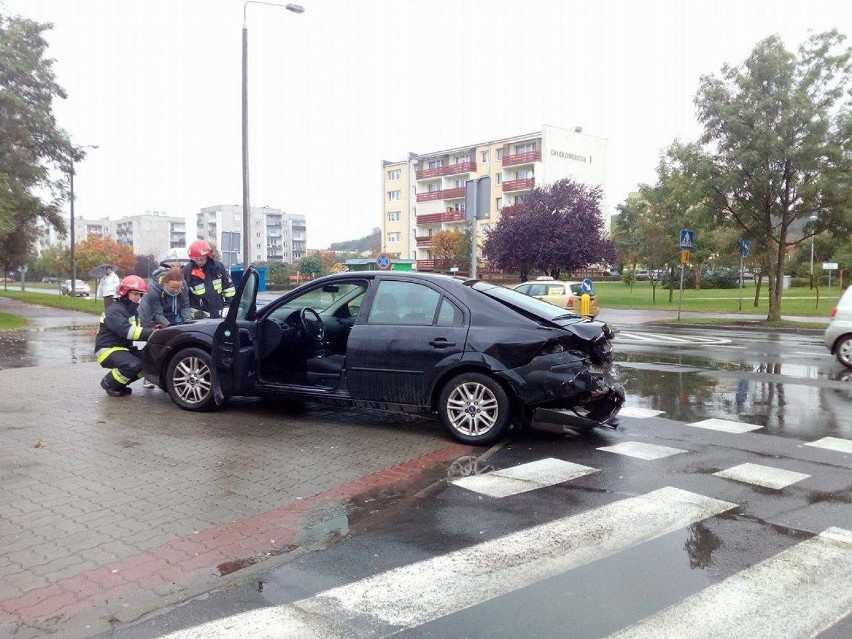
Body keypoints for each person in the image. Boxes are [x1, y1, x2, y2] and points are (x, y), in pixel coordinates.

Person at [94, 275, 157, 397]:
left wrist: (154, 329)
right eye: (135, 294)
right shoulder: (113, 311)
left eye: (140, 294)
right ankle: (109, 383)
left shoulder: (131, 310)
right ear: (125, 292)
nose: (138, 297)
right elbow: (126, 331)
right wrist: (151, 333)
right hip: (107, 350)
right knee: (133, 364)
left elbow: (139, 328)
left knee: (150, 361)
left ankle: (120, 384)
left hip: (123, 349)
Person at [183, 239, 235, 319]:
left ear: (208, 256)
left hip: (218, 315)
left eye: (202, 259)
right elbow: (184, 296)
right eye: (196, 259)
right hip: (198, 317)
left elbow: (228, 288)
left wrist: (229, 305)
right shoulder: (188, 271)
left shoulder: (218, 267)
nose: (199, 262)